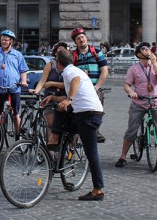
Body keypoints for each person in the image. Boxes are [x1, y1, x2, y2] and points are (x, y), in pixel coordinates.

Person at [42, 48, 105, 201]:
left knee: (92, 154)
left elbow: (75, 82)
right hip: (85, 114)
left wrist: (69, 99)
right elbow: (66, 93)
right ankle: (61, 146)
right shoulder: (73, 71)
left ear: (58, 63)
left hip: (88, 116)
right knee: (61, 111)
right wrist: (52, 98)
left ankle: (98, 190)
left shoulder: (70, 72)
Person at [114, 42, 157, 168]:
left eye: (148, 48)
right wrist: (131, 92)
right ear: (138, 54)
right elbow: (127, 84)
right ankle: (122, 157)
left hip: (156, 102)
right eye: (144, 48)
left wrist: (154, 63)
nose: (147, 50)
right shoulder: (134, 69)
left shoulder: (156, 66)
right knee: (132, 130)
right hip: (139, 103)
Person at [0, 30, 29, 141]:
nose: (4, 42)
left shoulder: (18, 55)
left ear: (11, 41)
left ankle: (18, 138)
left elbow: (23, 70)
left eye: (6, 40)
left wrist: (24, 81)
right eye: (2, 39)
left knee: (16, 114)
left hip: (14, 87)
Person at [71, 27, 108, 143]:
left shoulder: (96, 52)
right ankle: (75, 137)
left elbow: (104, 71)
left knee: (96, 111)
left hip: (94, 88)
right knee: (77, 113)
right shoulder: (73, 55)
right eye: (78, 38)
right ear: (75, 42)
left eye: (82, 37)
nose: (81, 40)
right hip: (79, 90)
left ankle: (95, 131)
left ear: (86, 38)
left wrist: (96, 87)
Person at [29, 42, 67, 129]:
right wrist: (36, 90)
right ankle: (50, 142)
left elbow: (69, 84)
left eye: (64, 50)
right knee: (51, 124)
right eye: (59, 49)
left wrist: (52, 84)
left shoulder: (69, 66)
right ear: (55, 52)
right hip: (50, 97)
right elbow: (42, 81)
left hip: (64, 97)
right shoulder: (50, 65)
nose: (61, 51)